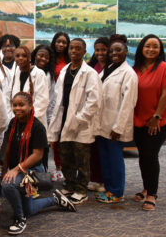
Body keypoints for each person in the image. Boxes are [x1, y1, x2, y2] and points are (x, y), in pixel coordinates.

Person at [1, 92, 76, 235]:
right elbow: (7, 149)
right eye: (15, 105)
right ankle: (55, 199)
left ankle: (20, 219)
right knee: (29, 209)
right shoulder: (13, 123)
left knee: (8, 184)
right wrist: (4, 170)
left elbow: (38, 155)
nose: (17, 108)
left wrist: (15, 170)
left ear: (30, 106)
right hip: (19, 171)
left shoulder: (37, 127)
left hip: (32, 172)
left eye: (21, 105)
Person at [47, 38, 102, 205]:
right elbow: (58, 98)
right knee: (66, 156)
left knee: (82, 159)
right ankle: (70, 184)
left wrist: (79, 119)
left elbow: (94, 101)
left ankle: (81, 190)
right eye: (72, 48)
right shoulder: (65, 70)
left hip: (81, 124)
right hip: (64, 121)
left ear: (84, 52)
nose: (73, 51)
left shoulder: (90, 73)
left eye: (78, 49)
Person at [132, 34, 166, 211]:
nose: (151, 49)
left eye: (155, 47)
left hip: (159, 120)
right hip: (139, 119)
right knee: (143, 155)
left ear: (160, 51)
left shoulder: (165, 67)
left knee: (150, 154)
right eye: (147, 46)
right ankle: (146, 187)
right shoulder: (135, 68)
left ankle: (152, 194)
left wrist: (156, 117)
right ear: (142, 49)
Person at [95, 34, 138, 204]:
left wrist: (118, 128)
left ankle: (117, 192)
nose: (114, 53)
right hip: (103, 124)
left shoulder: (129, 74)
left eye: (118, 50)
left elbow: (128, 104)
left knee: (115, 161)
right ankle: (108, 188)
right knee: (105, 159)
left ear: (126, 51)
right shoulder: (109, 68)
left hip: (115, 127)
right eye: (112, 50)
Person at [87, 37, 111, 193]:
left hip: (107, 113)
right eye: (97, 50)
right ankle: (95, 179)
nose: (100, 53)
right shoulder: (90, 67)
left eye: (103, 49)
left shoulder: (113, 67)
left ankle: (105, 181)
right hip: (92, 114)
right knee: (93, 150)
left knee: (106, 151)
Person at [10, 45, 49, 128]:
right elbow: (11, 98)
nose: (20, 58)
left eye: (24, 56)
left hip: (35, 121)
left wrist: (29, 119)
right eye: (17, 56)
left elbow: (42, 101)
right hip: (18, 120)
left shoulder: (39, 74)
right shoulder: (15, 74)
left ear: (29, 57)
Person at [49, 32, 70, 182]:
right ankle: (57, 168)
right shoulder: (48, 59)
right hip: (50, 101)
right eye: (58, 41)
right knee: (53, 138)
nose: (61, 45)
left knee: (64, 138)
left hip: (65, 102)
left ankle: (66, 168)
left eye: (64, 42)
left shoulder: (69, 61)